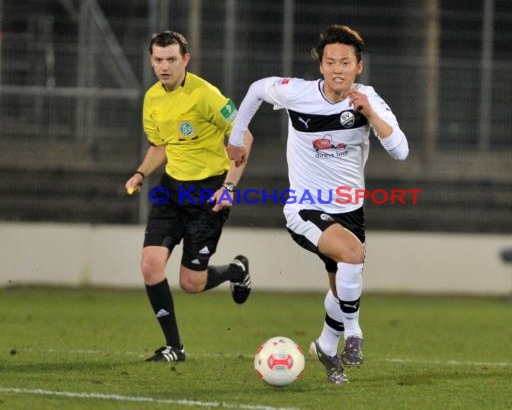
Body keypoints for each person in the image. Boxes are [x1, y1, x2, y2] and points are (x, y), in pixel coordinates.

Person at [227, 25, 408, 383]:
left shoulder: (368, 99)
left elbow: (401, 152)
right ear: (321, 66)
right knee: (353, 256)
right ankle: (354, 333)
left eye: (345, 62)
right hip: (304, 207)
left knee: (341, 286)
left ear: (359, 66)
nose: (337, 69)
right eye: (330, 62)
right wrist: (236, 137)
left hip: (349, 210)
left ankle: (326, 346)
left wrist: (370, 113)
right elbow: (256, 90)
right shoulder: (298, 92)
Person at [125, 30, 253, 362]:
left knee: (191, 284)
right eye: (158, 59)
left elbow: (245, 136)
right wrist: (141, 173)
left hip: (208, 193)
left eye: (171, 59)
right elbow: (160, 146)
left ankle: (236, 271)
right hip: (170, 189)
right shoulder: (152, 98)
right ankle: (174, 347)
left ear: (185, 60)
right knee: (151, 267)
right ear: (151, 60)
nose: (164, 66)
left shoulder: (207, 95)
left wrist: (229, 186)